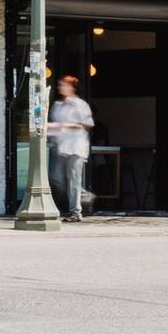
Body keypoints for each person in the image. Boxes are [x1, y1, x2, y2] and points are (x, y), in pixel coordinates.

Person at [48, 75, 93, 223]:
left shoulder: (80, 105)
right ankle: (82, 196)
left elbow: (87, 124)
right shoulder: (57, 105)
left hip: (76, 147)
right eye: (60, 85)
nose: (60, 87)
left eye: (64, 85)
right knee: (56, 179)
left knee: (73, 179)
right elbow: (55, 125)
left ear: (72, 87)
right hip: (60, 147)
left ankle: (75, 212)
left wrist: (64, 126)